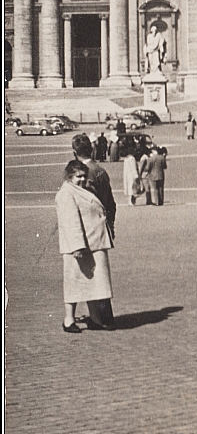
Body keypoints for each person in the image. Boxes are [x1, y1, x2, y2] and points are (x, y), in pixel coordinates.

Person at [56, 160, 115, 334]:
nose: (82, 179)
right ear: (69, 177)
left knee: (93, 284)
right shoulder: (66, 193)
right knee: (74, 285)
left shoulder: (80, 190)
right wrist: (77, 247)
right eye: (78, 177)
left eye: (83, 176)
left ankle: (95, 319)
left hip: (93, 243)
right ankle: (69, 320)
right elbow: (70, 222)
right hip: (80, 247)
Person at [71, 134, 116, 330]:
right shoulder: (101, 171)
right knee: (101, 273)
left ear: (74, 153)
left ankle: (100, 318)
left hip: (87, 229)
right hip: (102, 227)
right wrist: (111, 225)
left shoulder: (82, 175)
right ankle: (101, 316)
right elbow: (111, 203)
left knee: (89, 273)